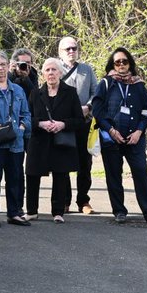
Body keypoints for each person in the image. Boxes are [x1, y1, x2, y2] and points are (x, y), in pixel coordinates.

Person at [91, 48, 147, 225]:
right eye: (117, 62)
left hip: (134, 138)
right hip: (112, 138)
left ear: (130, 63)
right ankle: (119, 211)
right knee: (114, 174)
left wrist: (139, 131)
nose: (121, 65)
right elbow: (97, 111)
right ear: (112, 65)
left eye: (124, 61)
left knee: (141, 172)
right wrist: (110, 130)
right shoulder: (106, 83)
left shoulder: (138, 85)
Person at [26, 58, 85, 223]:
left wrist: (63, 124)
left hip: (61, 141)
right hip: (39, 141)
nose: (51, 73)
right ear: (43, 74)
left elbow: (79, 120)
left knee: (60, 176)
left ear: (60, 72)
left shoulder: (70, 92)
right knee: (32, 175)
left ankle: (58, 212)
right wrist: (40, 123)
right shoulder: (35, 93)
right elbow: (26, 118)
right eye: (47, 70)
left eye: (54, 70)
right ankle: (31, 210)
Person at [0, 51, 31, 227]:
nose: (0, 68)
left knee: (15, 179)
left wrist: (22, 128)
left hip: (15, 142)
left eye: (3, 64)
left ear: (9, 66)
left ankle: (14, 213)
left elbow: (26, 113)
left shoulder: (18, 90)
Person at [57, 37, 97, 214]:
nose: (71, 51)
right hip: (64, 124)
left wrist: (88, 106)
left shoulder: (86, 70)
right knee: (63, 164)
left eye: (74, 48)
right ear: (60, 52)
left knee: (84, 164)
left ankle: (83, 201)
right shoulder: (54, 68)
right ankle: (64, 201)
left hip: (84, 123)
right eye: (68, 49)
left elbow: (96, 93)